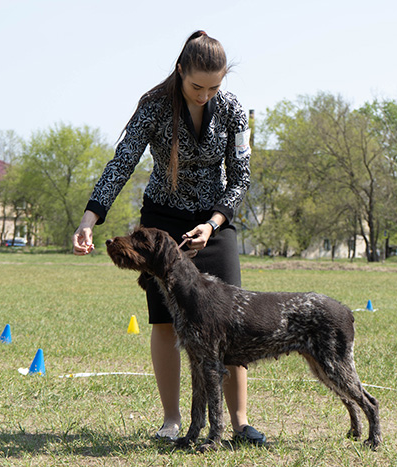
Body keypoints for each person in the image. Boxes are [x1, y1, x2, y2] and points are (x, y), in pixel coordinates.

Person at [72, 30, 265, 446]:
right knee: (164, 321)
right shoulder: (155, 107)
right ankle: (172, 419)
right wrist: (89, 219)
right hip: (163, 226)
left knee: (228, 322)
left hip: (213, 223)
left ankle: (240, 422)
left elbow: (241, 177)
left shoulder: (233, 110)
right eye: (197, 86)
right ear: (180, 71)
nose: (205, 94)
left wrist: (213, 224)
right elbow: (121, 164)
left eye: (214, 86)